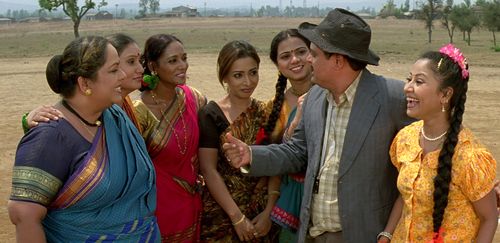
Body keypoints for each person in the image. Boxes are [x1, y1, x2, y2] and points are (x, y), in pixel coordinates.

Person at [223, 8, 414, 242]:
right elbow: (297, 152)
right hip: (313, 233)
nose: (307, 60)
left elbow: (418, 171)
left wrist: (390, 232)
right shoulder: (315, 98)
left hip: (365, 234)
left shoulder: (393, 98)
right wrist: (250, 155)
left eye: (313, 53)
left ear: (338, 60)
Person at [7, 36, 159, 242]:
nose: (122, 75)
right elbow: (24, 215)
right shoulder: (50, 137)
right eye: (114, 70)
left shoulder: (115, 117)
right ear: (84, 82)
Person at [379, 44, 497, 242]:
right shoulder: (405, 139)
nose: (407, 87)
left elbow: (489, 218)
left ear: (445, 94)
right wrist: (387, 234)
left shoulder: (470, 157)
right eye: (409, 79)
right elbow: (407, 195)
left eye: (419, 81)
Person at [197, 40, 279, 242]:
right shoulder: (211, 114)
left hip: (262, 215)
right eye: (238, 75)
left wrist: (269, 213)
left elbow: (277, 166)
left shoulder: (266, 113)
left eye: (253, 72)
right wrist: (237, 218)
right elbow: (208, 170)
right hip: (222, 213)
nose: (248, 82)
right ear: (225, 76)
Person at [134, 34, 206, 242]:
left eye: (184, 58)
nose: (182, 65)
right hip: (159, 209)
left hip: (193, 202)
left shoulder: (194, 98)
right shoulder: (139, 111)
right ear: (153, 66)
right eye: (173, 61)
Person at [266, 29, 312, 243]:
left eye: (301, 52)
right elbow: (276, 163)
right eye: (285, 56)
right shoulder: (275, 108)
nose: (295, 60)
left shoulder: (332, 96)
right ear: (277, 65)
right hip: (290, 200)